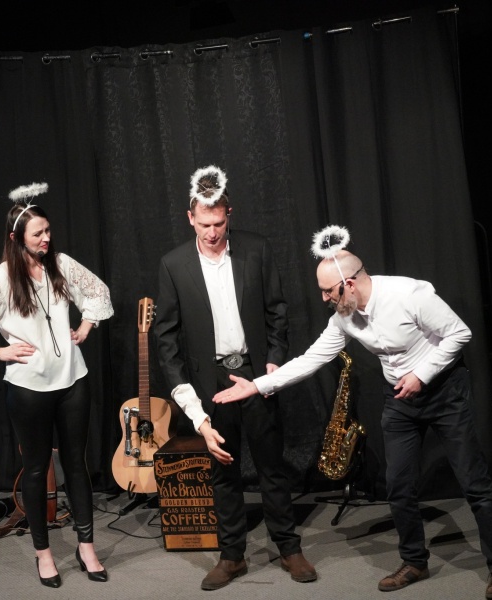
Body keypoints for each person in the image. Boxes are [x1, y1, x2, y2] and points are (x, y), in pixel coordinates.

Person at [213, 225, 492, 600]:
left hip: (443, 392)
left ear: (350, 283)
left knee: (474, 484)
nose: (324, 298)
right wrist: (258, 385)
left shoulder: (409, 295)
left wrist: (421, 375)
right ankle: (414, 561)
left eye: (329, 290)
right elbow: (312, 358)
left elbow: (459, 333)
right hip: (400, 399)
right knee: (399, 485)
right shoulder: (344, 316)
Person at [154, 165, 318, 591]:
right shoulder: (173, 265)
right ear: (190, 218)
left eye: (219, 223)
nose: (212, 233)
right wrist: (193, 407)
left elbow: (277, 311)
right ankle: (232, 556)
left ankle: (288, 546)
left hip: (254, 372)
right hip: (210, 380)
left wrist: (274, 362)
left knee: (271, 465)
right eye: (204, 224)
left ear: (229, 214)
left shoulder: (256, 250)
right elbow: (166, 339)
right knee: (222, 470)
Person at [0, 182, 114, 589]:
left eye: (48, 230)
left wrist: (87, 324)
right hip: (28, 390)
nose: (46, 238)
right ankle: (44, 553)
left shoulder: (61, 265)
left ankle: (86, 546)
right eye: (38, 233)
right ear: (16, 238)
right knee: (37, 470)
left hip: (73, 381)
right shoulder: (1, 280)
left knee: (77, 465)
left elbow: (98, 292)